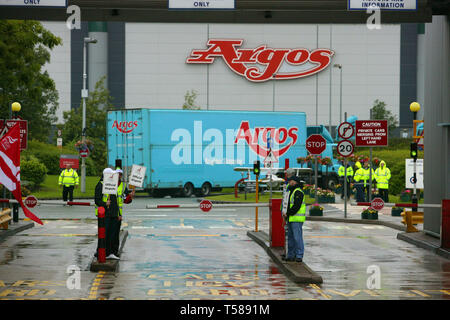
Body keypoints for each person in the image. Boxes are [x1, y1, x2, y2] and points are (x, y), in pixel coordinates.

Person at [94, 168, 134, 260]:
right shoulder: (100, 185)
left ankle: (110, 252)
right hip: (104, 215)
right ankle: (102, 252)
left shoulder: (112, 185)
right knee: (105, 235)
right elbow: (97, 200)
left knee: (112, 235)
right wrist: (105, 204)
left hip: (113, 214)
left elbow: (116, 202)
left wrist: (118, 214)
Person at [282, 176, 305, 263]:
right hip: (291, 218)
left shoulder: (298, 192)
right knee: (291, 238)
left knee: (297, 237)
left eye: (291, 181)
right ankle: (291, 255)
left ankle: (299, 255)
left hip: (296, 219)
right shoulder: (291, 191)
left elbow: (296, 206)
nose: (289, 183)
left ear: (295, 182)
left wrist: (288, 213)